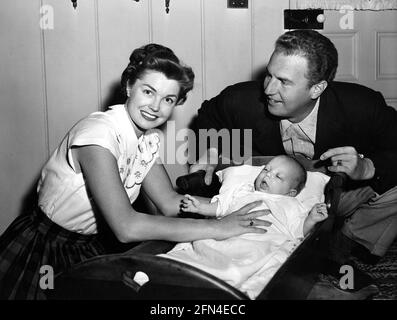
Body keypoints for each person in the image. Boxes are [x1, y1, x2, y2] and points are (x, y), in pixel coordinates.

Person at [0, 44, 270, 300]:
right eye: (148, 92)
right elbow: (126, 227)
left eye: (168, 99)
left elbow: (170, 204)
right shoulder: (97, 135)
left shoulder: (146, 139)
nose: (155, 107)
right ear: (129, 86)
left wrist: (230, 208)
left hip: (84, 245)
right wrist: (216, 227)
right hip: (41, 246)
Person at [190, 29, 397, 264]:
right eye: (269, 75)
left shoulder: (362, 105)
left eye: (284, 82)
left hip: (340, 194)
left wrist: (367, 167)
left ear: (317, 88)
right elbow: (209, 115)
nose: (268, 90)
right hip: (270, 196)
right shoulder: (240, 99)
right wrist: (212, 149)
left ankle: (350, 241)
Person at [165, 156, 328, 299]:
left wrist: (311, 219)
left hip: (263, 240)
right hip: (226, 234)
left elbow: (298, 231)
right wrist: (199, 208)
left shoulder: (291, 204)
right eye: (266, 169)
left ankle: (250, 290)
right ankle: (169, 272)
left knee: (271, 261)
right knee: (202, 244)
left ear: (291, 192)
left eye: (278, 176)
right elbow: (219, 208)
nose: (268, 175)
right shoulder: (242, 192)